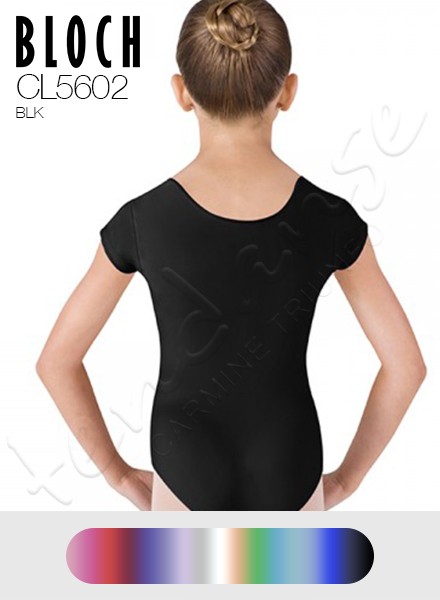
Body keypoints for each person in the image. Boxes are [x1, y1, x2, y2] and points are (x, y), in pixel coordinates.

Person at [36, 0, 426, 511]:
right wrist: (346, 481)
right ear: (287, 91)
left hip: (184, 470)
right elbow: (406, 366)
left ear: (181, 92)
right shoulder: (330, 217)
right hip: (290, 465)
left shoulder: (143, 219)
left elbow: (56, 361)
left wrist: (119, 475)